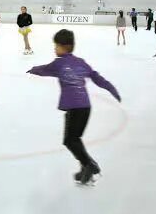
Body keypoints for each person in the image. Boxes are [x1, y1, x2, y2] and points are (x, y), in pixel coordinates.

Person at [27, 29, 121, 185]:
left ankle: (90, 165)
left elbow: (44, 70)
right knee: (75, 140)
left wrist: (33, 69)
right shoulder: (81, 63)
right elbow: (98, 78)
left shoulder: (59, 63)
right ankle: (86, 169)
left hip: (75, 108)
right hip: (85, 107)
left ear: (65, 47)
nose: (54, 49)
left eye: (56, 46)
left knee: (70, 141)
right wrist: (112, 89)